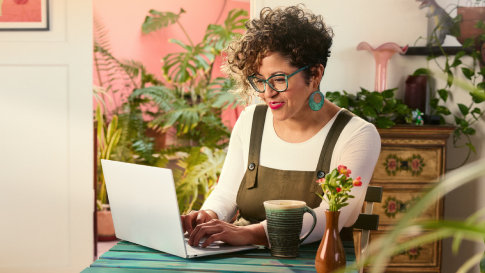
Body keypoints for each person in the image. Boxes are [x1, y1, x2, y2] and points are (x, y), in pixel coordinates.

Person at [181, 5, 381, 248]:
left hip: (315, 262)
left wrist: (250, 233)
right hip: (241, 259)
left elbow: (336, 216)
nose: (267, 93)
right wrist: (209, 216)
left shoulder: (356, 135)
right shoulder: (250, 121)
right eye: (260, 81)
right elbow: (226, 193)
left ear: (315, 74)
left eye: (278, 79)